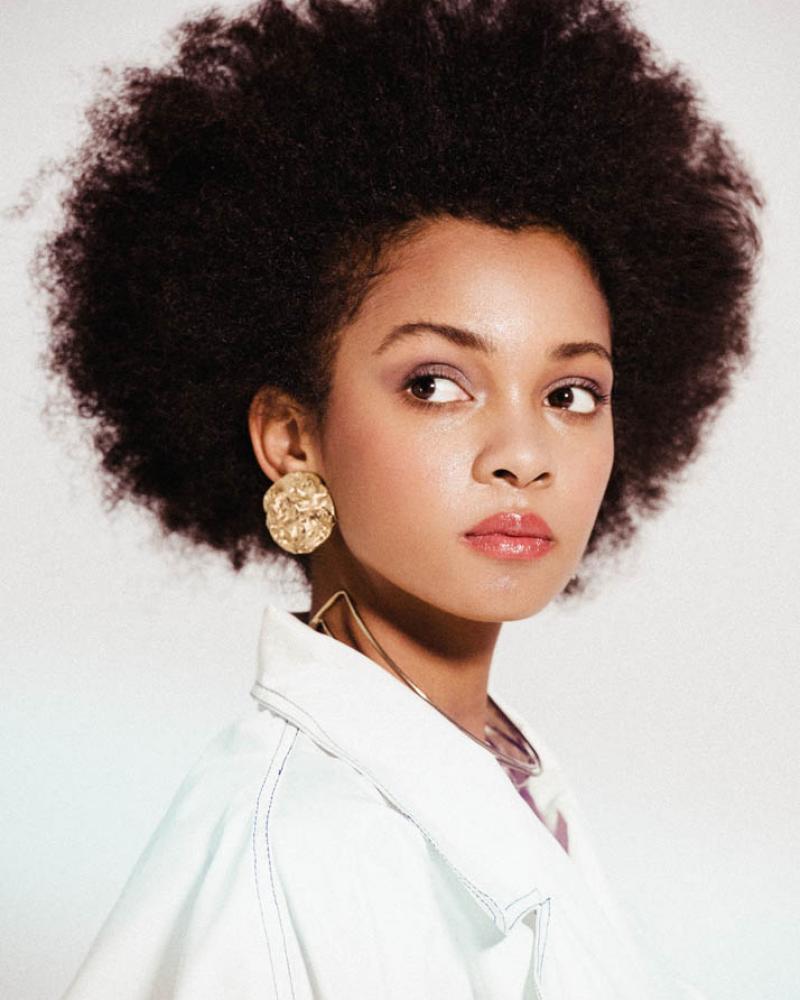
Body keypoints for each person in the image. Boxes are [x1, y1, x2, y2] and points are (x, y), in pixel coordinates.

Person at [38, 0, 761, 996]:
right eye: (435, 384)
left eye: (570, 394)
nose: (523, 454)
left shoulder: (508, 781)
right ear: (293, 440)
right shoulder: (288, 861)